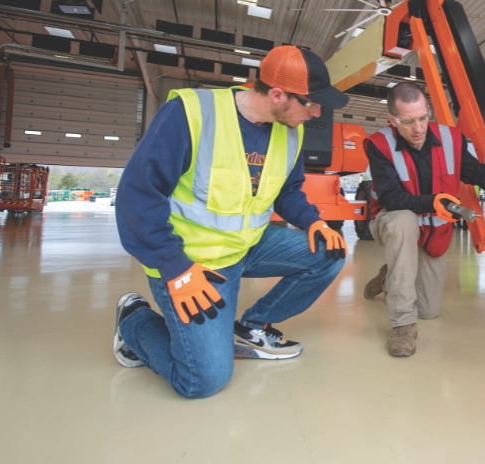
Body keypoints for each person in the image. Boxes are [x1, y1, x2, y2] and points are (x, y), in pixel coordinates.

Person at [112, 46, 350, 398]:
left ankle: (251, 326)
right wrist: (175, 268)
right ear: (278, 94)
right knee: (203, 381)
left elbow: (289, 191)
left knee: (328, 254)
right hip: (194, 263)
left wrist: (312, 221)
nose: (316, 113)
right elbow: (138, 196)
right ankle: (134, 318)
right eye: (311, 103)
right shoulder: (191, 114)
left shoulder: (289, 130)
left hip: (247, 247)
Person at [363, 82, 485, 357]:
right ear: (392, 120)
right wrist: (431, 201)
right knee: (404, 220)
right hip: (392, 222)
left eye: (422, 118)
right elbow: (392, 198)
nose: (417, 128)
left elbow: (478, 174)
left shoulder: (451, 139)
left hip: (433, 232)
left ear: (428, 111)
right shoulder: (379, 144)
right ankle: (403, 325)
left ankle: (389, 274)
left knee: (428, 311)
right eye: (407, 121)